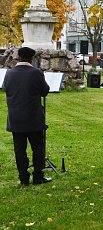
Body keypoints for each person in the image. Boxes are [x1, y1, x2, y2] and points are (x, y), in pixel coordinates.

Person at [3, 47, 51, 186]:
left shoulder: (9, 73)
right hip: (33, 117)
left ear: (18, 57)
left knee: (19, 149)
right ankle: (38, 176)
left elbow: (6, 89)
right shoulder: (36, 73)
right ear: (32, 58)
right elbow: (44, 91)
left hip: (15, 117)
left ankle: (23, 178)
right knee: (37, 148)